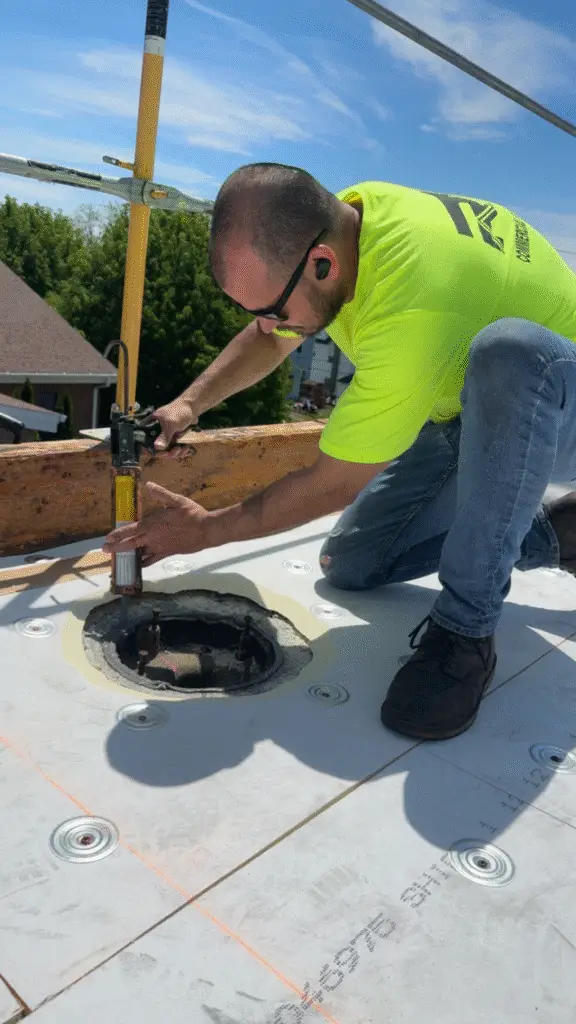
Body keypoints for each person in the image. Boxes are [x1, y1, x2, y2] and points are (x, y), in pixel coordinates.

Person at [103, 162, 576, 742]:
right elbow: (267, 338)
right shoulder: (352, 217)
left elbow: (332, 483)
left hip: (554, 407)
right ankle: (560, 535)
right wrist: (187, 405)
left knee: (512, 351)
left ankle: (466, 632)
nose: (267, 324)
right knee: (352, 565)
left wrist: (203, 531)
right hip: (472, 406)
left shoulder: (412, 306)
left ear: (322, 262)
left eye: (273, 308)